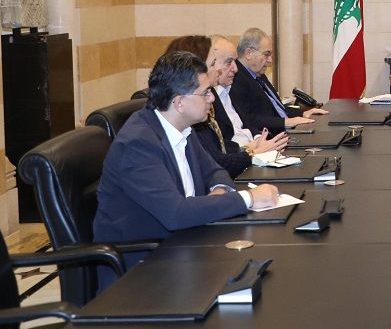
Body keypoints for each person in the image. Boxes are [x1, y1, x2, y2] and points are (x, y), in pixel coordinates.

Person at [93, 52, 279, 265]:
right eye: (205, 93)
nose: (212, 98)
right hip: (146, 262)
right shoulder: (137, 145)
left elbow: (215, 171)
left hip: (186, 243)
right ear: (179, 102)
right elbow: (176, 214)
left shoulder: (181, 126)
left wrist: (218, 193)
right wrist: (249, 198)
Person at [196, 36, 288, 178]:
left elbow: (246, 122)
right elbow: (217, 158)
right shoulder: (207, 101)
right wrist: (249, 151)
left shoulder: (228, 89)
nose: (235, 68)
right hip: (239, 166)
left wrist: (259, 140)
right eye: (228, 62)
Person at [229, 27, 327, 133]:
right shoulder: (235, 79)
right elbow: (247, 119)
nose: (270, 60)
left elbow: (277, 109)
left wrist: (303, 113)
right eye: (266, 54)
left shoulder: (258, 73)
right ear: (249, 53)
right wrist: (286, 122)